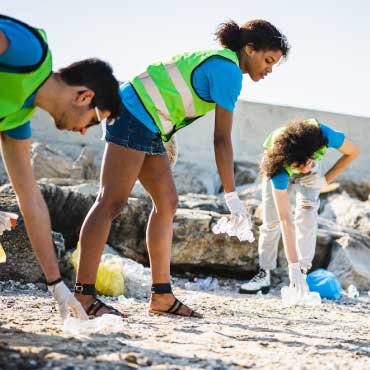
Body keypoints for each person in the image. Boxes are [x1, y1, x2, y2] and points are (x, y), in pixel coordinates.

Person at [75, 19, 290, 318]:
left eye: (274, 64)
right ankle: (82, 297)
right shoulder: (229, 72)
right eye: (267, 60)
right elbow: (221, 140)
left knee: (167, 203)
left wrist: (168, 133)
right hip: (134, 114)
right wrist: (231, 196)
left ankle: (161, 295)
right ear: (249, 49)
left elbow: (174, 92)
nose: (268, 69)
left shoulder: (221, 62)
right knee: (110, 202)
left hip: (151, 123)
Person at [0, 14, 122, 320]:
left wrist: (57, 285)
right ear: (84, 96)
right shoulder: (29, 52)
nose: (83, 132)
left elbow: (31, 201)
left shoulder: (16, 121)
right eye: (92, 122)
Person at [239, 118, 360, 295]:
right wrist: (291, 265)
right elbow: (285, 220)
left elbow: (353, 152)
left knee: (307, 215)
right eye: (299, 167)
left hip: (306, 159)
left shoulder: (324, 136)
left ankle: (302, 275)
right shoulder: (278, 170)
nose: (303, 170)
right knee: (271, 220)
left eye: (307, 164)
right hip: (278, 160)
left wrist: (324, 180)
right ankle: (264, 273)